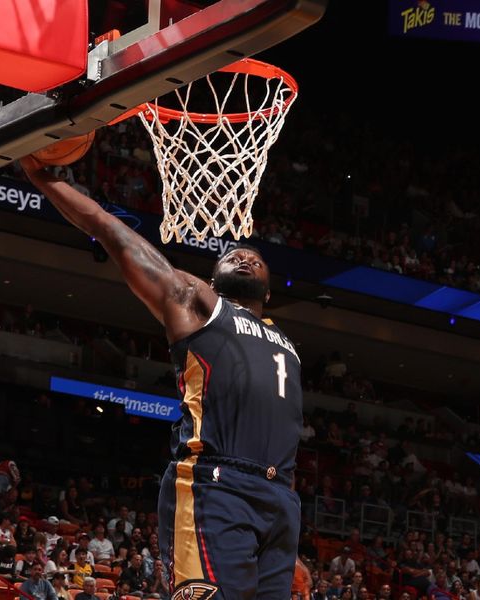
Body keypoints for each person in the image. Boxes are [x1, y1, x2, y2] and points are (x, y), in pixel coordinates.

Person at [22, 148, 303, 598]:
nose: (245, 257)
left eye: (255, 258)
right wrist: (50, 182)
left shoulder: (284, 341)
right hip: (216, 486)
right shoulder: (198, 303)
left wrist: (280, 510)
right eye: (234, 256)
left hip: (279, 500)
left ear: (269, 289)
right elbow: (114, 235)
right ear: (213, 279)